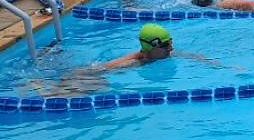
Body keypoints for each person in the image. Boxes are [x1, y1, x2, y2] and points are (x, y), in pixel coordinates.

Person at [29, 24, 230, 97]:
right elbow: (100, 72)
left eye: (171, 43)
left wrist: (217, 65)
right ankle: (36, 85)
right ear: (153, 47)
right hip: (87, 75)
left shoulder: (162, 53)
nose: (172, 49)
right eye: (168, 45)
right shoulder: (130, 63)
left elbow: (191, 56)